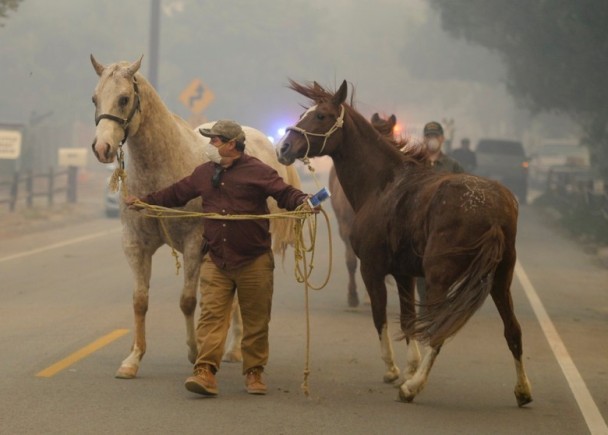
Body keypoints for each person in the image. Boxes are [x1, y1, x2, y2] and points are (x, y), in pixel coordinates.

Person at [125, 120, 313, 397]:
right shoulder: (203, 174)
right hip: (216, 258)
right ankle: (205, 372)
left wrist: (304, 201)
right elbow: (176, 193)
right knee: (210, 317)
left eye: (215, 141)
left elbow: (283, 192)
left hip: (254, 260)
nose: (210, 146)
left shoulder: (259, 171)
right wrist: (145, 201)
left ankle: (254, 373)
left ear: (231, 145)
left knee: (256, 320)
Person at [417, 121, 465, 313]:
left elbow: (464, 192)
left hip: (446, 227)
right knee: (419, 267)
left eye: (435, 136)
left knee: (444, 267)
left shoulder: (452, 166)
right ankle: (424, 305)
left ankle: (438, 304)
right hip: (420, 224)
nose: (432, 140)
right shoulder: (415, 163)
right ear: (424, 139)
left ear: (442, 139)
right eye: (428, 136)